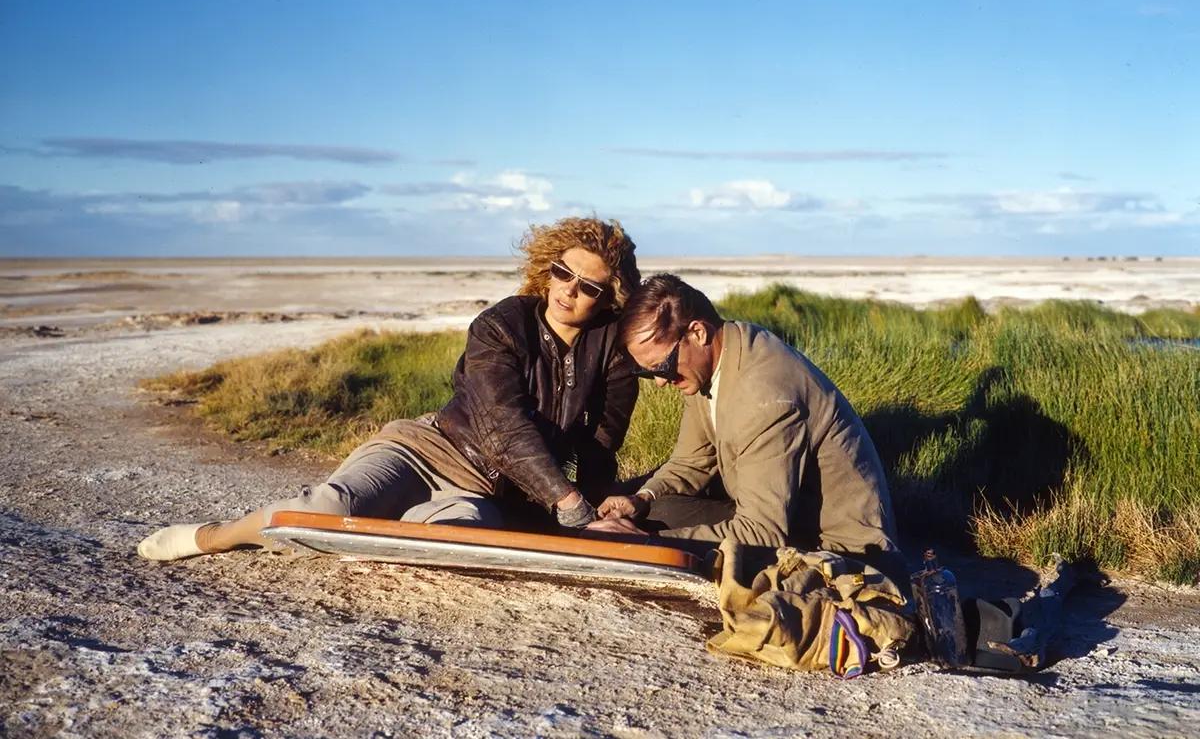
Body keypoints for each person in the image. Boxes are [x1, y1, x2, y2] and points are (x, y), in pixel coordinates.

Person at [139, 216, 641, 560]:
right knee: (327, 511)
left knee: (456, 542)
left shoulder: (611, 351)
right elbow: (502, 424)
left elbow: (600, 445)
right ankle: (215, 537)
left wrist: (597, 516)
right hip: (421, 451)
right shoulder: (502, 323)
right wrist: (570, 506)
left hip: (484, 490)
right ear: (548, 268)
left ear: (608, 298)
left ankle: (406, 520)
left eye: (588, 286)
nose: (568, 291)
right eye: (562, 272)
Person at [594, 273, 906, 583]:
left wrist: (648, 545)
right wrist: (642, 498)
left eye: (661, 368)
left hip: (845, 556)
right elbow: (691, 463)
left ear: (697, 333)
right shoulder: (718, 357)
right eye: (648, 373)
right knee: (654, 511)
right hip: (788, 522)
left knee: (649, 536)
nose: (661, 382)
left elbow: (762, 533)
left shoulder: (764, 395)